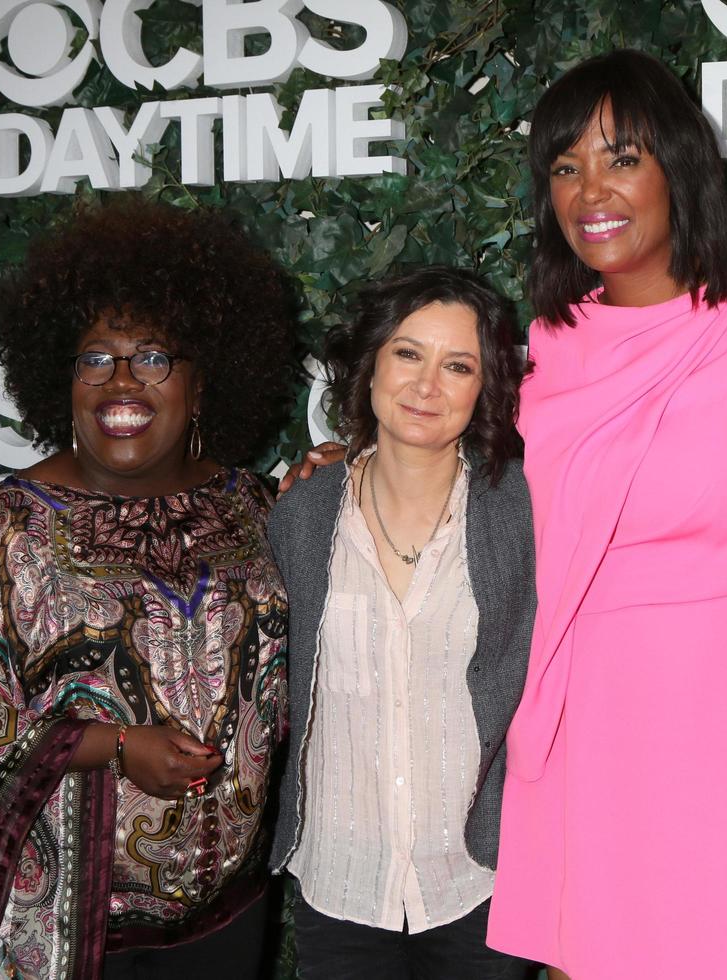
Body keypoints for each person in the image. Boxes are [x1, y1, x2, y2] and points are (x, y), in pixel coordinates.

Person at [481, 50, 727, 978]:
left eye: (619, 158)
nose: (588, 190)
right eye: (564, 167)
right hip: (590, 714)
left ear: (678, 167)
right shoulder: (535, 351)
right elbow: (450, 487)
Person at [0, 199, 296, 979]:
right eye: (95, 358)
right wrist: (112, 747)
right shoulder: (6, 530)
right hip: (70, 938)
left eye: (153, 357)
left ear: (202, 379)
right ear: (63, 377)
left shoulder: (256, 506)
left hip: (231, 920)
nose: (121, 380)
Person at [266, 266, 535, 979]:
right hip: (340, 883)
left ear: (485, 388)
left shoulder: (522, 517)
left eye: (458, 365)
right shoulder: (299, 514)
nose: (427, 386)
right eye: (409, 354)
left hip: (479, 881)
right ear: (371, 362)